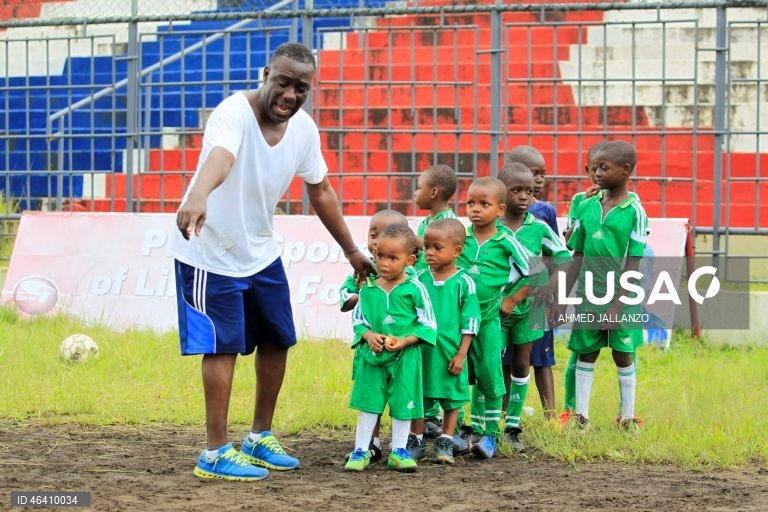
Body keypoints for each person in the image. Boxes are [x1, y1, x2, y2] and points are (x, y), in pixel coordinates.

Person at [172, 42, 375, 482]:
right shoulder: (233, 112)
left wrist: (352, 249)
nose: (290, 94)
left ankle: (259, 436)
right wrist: (199, 195)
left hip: (260, 252)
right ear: (266, 74)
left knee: (278, 338)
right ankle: (214, 451)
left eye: (301, 87)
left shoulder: (303, 129)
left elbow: (319, 189)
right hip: (210, 252)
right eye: (283, 82)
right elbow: (221, 157)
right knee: (222, 346)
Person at [553, 140, 648, 431]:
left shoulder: (635, 211)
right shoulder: (587, 206)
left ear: (626, 170)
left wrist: (618, 305)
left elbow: (634, 263)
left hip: (622, 297)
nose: (596, 173)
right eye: (594, 167)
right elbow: (576, 252)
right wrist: (564, 295)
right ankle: (581, 417)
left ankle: (628, 418)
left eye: (604, 168)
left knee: (623, 353)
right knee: (586, 351)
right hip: (588, 294)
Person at [345, 224, 437, 472]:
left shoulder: (416, 289)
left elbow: (428, 324)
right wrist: (368, 335)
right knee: (369, 404)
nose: (384, 263)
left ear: (410, 260)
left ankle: (399, 450)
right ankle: (360, 451)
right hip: (372, 358)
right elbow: (358, 320)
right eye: (380, 256)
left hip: (405, 358)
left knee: (402, 404)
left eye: (393, 258)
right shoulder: (368, 287)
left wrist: (405, 341)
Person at [498, 163, 572, 451]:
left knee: (522, 362)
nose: (524, 196)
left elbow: (564, 259)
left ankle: (512, 424)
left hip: (531, 307)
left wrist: (549, 288)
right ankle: (493, 421)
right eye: (516, 190)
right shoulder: (491, 226)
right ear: (501, 192)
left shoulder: (538, 226)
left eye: (529, 191)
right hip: (498, 308)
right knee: (495, 362)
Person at [457, 177, 530, 459]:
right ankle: (455, 433)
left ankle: (491, 435)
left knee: (490, 376)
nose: (475, 209)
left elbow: (536, 274)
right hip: (458, 323)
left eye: (483, 204)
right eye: (470, 203)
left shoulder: (506, 241)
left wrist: (511, 299)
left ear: (500, 210)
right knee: (456, 375)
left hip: (488, 322)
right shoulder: (459, 237)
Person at [339, 209, 409, 464]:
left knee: (401, 396)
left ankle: (404, 443)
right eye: (373, 233)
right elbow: (344, 300)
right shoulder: (363, 271)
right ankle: (372, 443)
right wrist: (362, 295)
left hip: (401, 353)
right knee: (371, 396)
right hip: (369, 349)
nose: (377, 240)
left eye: (387, 234)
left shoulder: (409, 277)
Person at [409, 218, 480, 464]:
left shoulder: (464, 282)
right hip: (422, 353)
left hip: (451, 354)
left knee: (451, 399)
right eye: (426, 246)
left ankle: (445, 443)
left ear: (457, 251)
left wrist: (461, 355)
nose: (429, 252)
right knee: (418, 397)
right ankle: (415, 441)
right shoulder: (417, 279)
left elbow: (470, 323)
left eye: (437, 248)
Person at [506, 145, 559, 416]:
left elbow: (554, 256)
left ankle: (551, 414)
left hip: (536, 297)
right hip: (504, 296)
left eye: (542, 174)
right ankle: (503, 412)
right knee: (506, 357)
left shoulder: (545, 213)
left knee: (542, 356)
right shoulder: (498, 213)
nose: (538, 180)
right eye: (532, 173)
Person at [411, 163, 459, 442]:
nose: (415, 192)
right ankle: (429, 418)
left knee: (446, 359)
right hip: (424, 299)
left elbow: (445, 258)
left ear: (433, 191)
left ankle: (455, 423)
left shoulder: (448, 224)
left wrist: (412, 240)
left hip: (443, 304)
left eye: (418, 187)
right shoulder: (425, 222)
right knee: (426, 356)